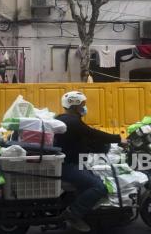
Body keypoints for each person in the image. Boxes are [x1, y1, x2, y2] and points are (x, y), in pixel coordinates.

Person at [54, 91, 125, 232]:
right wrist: (118, 139)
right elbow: (93, 134)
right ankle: (72, 214)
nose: (84, 107)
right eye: (82, 104)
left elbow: (86, 137)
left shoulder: (64, 118)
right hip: (68, 165)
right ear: (74, 105)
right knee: (99, 187)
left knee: (91, 179)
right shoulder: (72, 122)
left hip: (69, 162)